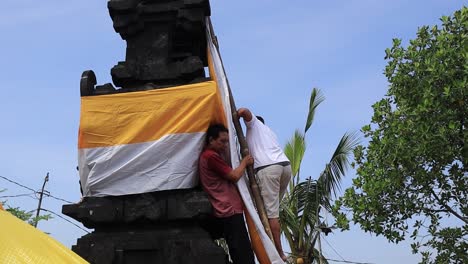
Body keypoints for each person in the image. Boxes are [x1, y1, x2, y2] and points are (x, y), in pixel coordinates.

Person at [237, 108, 291, 261]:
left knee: (271, 214)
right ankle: (276, 248)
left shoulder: (255, 125)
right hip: (284, 166)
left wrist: (235, 115)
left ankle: (279, 252)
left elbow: (244, 111)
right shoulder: (269, 133)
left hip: (269, 169)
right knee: (272, 213)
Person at [199, 123, 256, 264]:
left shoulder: (209, 156)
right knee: (243, 254)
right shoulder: (211, 156)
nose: (225, 145)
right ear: (211, 140)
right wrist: (244, 162)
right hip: (229, 209)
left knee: (239, 250)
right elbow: (234, 175)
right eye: (222, 141)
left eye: (227, 141)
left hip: (226, 209)